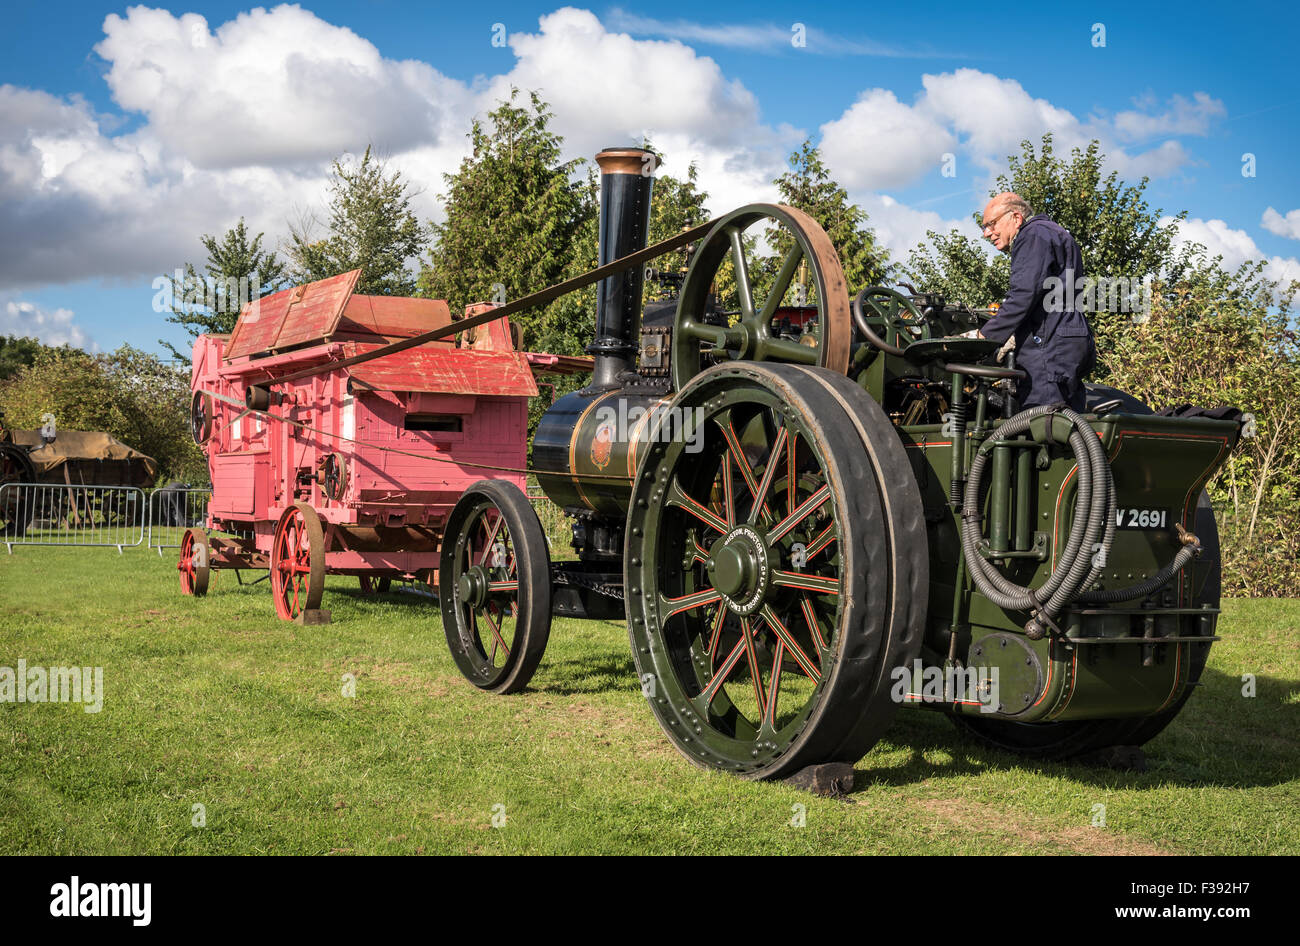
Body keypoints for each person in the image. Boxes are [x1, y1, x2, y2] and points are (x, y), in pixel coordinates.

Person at [973, 193, 1095, 410]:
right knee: (1068, 423)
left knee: (1041, 426)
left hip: (1048, 347)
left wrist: (984, 337)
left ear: (1016, 218)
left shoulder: (1032, 236)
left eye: (992, 224)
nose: (987, 233)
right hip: (1069, 341)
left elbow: (1023, 296)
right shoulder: (1055, 232)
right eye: (984, 228)